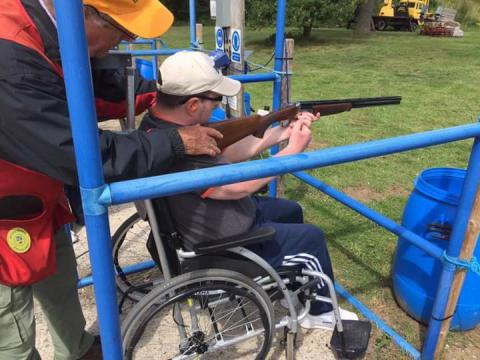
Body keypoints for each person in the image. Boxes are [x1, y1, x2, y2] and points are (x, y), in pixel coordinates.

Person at [0, 1, 223, 359]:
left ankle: (77, 349)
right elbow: (81, 154)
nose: (122, 42)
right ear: (84, 13)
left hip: (38, 202)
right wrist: (174, 140)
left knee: (61, 286)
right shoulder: (9, 56)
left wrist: (168, 95)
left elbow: (96, 86)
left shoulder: (50, 32)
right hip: (7, 214)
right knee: (11, 330)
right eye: (122, 32)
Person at [141, 51, 359, 330]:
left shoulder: (164, 129)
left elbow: (226, 153)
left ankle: (286, 285)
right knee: (312, 240)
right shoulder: (182, 152)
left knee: (291, 209)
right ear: (193, 104)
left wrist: (279, 135)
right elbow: (235, 188)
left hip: (212, 219)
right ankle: (321, 312)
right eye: (216, 98)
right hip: (221, 240)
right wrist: (291, 153)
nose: (218, 105)